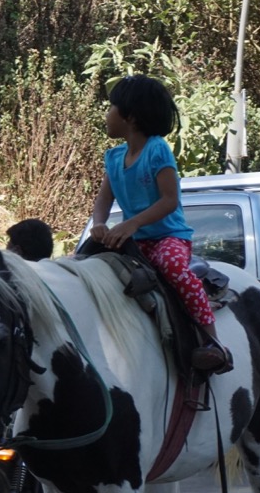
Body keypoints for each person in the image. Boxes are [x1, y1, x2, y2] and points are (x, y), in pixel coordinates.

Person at [89, 75, 231, 373]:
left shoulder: (157, 150)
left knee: (174, 270)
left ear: (131, 117)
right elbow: (103, 200)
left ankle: (212, 342)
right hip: (134, 240)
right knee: (84, 265)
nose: (107, 114)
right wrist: (99, 224)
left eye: (112, 107)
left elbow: (169, 200)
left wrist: (131, 224)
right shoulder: (114, 157)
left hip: (168, 237)